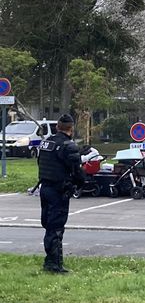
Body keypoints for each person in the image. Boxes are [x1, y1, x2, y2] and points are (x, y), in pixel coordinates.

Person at [37, 114, 84, 273]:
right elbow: (77, 171)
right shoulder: (68, 146)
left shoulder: (46, 143)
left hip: (45, 187)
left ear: (57, 126)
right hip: (59, 190)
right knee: (56, 228)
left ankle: (49, 260)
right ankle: (54, 264)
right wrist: (79, 184)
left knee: (48, 225)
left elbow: (40, 163)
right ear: (71, 128)